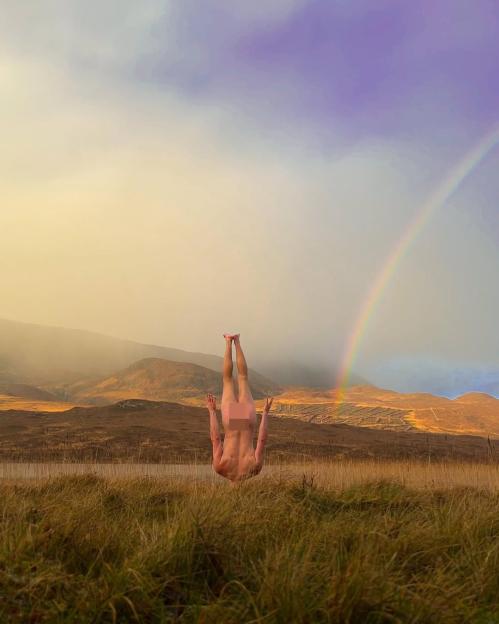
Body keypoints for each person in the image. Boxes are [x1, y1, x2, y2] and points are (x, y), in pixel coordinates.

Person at [206, 333, 273, 482]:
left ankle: (236, 341)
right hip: (232, 420)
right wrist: (212, 411)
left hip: (246, 420)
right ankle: (229, 342)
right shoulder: (220, 468)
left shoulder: (254, 470)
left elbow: (262, 440)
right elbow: (215, 438)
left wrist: (265, 414)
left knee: (242, 377)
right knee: (228, 379)